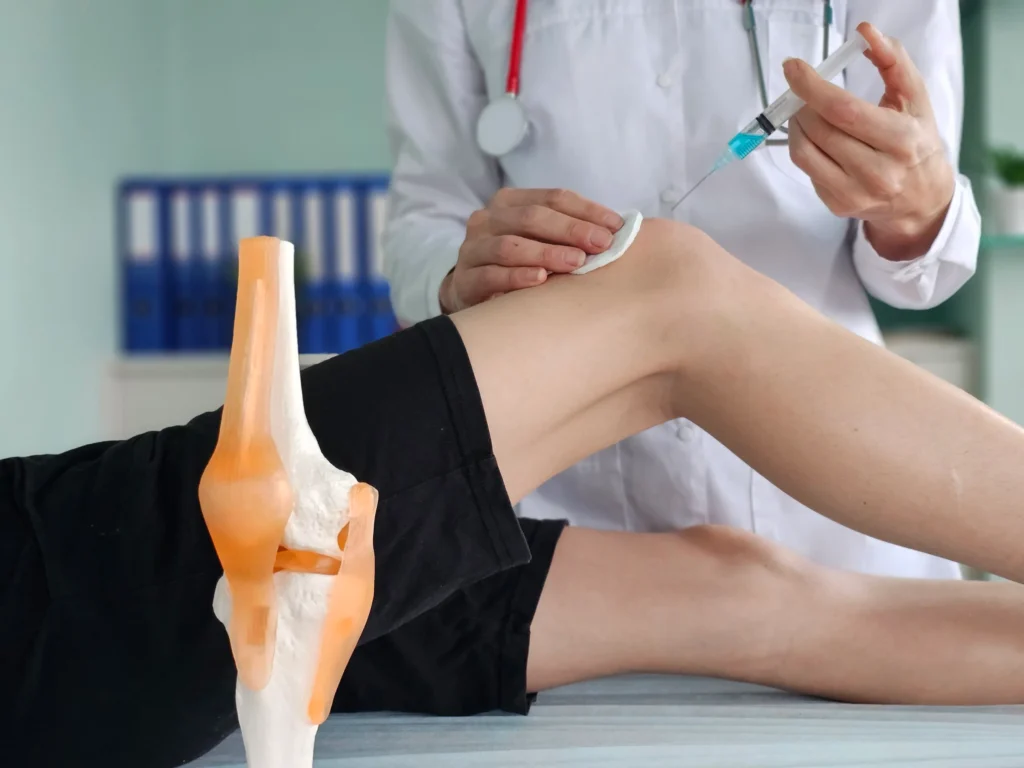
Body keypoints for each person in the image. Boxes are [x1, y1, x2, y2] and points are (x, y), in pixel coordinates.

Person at [5, 214, 1024, 768]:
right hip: (37, 603)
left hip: (59, 634)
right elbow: (426, 220)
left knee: (730, 584)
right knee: (671, 297)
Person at [382, 1, 982, 579]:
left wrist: (917, 209)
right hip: (564, 505)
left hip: (831, 499)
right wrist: (457, 272)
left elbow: (927, 253)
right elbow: (426, 214)